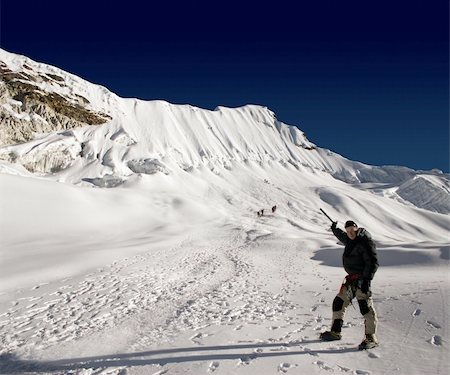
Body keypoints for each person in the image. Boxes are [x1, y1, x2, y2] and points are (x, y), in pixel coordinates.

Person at [320, 220, 379, 350]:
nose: (350, 233)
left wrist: (366, 281)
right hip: (351, 281)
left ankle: (371, 338)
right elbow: (342, 236)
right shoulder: (351, 240)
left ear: (357, 228)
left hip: (362, 280)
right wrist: (335, 229)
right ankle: (335, 332)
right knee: (339, 303)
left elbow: (373, 263)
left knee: (365, 307)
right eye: (347, 231)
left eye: (352, 230)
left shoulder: (365, 242)